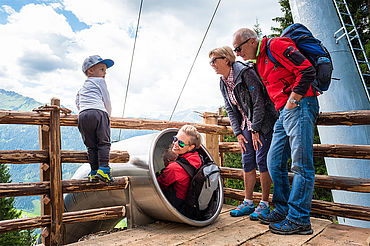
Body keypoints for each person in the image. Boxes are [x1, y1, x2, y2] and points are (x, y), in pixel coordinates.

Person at [232, 28, 319, 235]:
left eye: (238, 48)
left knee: (301, 164)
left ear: (252, 41)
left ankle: (299, 220)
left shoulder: (276, 46)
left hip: (300, 105)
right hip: (285, 112)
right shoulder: (259, 60)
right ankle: (282, 209)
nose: (237, 53)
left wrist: (292, 101)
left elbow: (307, 70)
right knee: (274, 160)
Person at [208, 46, 277, 220]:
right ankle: (248, 202)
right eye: (210, 61)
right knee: (247, 161)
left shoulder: (245, 73)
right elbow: (230, 110)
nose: (212, 64)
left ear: (226, 59)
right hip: (245, 125)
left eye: (214, 60)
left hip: (263, 122)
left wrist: (256, 128)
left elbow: (259, 101)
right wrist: (238, 132)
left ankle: (264, 203)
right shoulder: (223, 82)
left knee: (262, 160)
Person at [76, 55, 114, 183]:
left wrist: (84, 111)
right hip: (98, 112)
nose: (105, 73)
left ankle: (93, 172)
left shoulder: (82, 88)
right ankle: (104, 169)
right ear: (90, 71)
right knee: (104, 143)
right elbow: (106, 99)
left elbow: (77, 102)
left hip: (83, 115)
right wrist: (108, 115)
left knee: (91, 146)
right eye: (102, 69)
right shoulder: (100, 82)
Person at [157, 125, 202, 213]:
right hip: (191, 203)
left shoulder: (174, 168)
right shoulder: (197, 158)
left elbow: (158, 185)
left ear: (191, 147)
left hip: (177, 206)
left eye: (181, 143)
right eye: (175, 139)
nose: (175, 144)